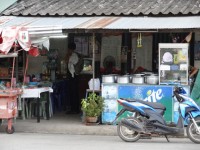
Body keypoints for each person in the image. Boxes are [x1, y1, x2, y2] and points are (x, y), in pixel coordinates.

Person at [65, 42, 80, 114]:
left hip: (74, 76)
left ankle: (75, 109)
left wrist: (68, 55)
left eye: (68, 49)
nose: (68, 50)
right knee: (72, 92)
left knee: (74, 93)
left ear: (70, 49)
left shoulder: (74, 56)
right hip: (72, 76)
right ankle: (73, 108)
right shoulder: (72, 55)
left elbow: (67, 61)